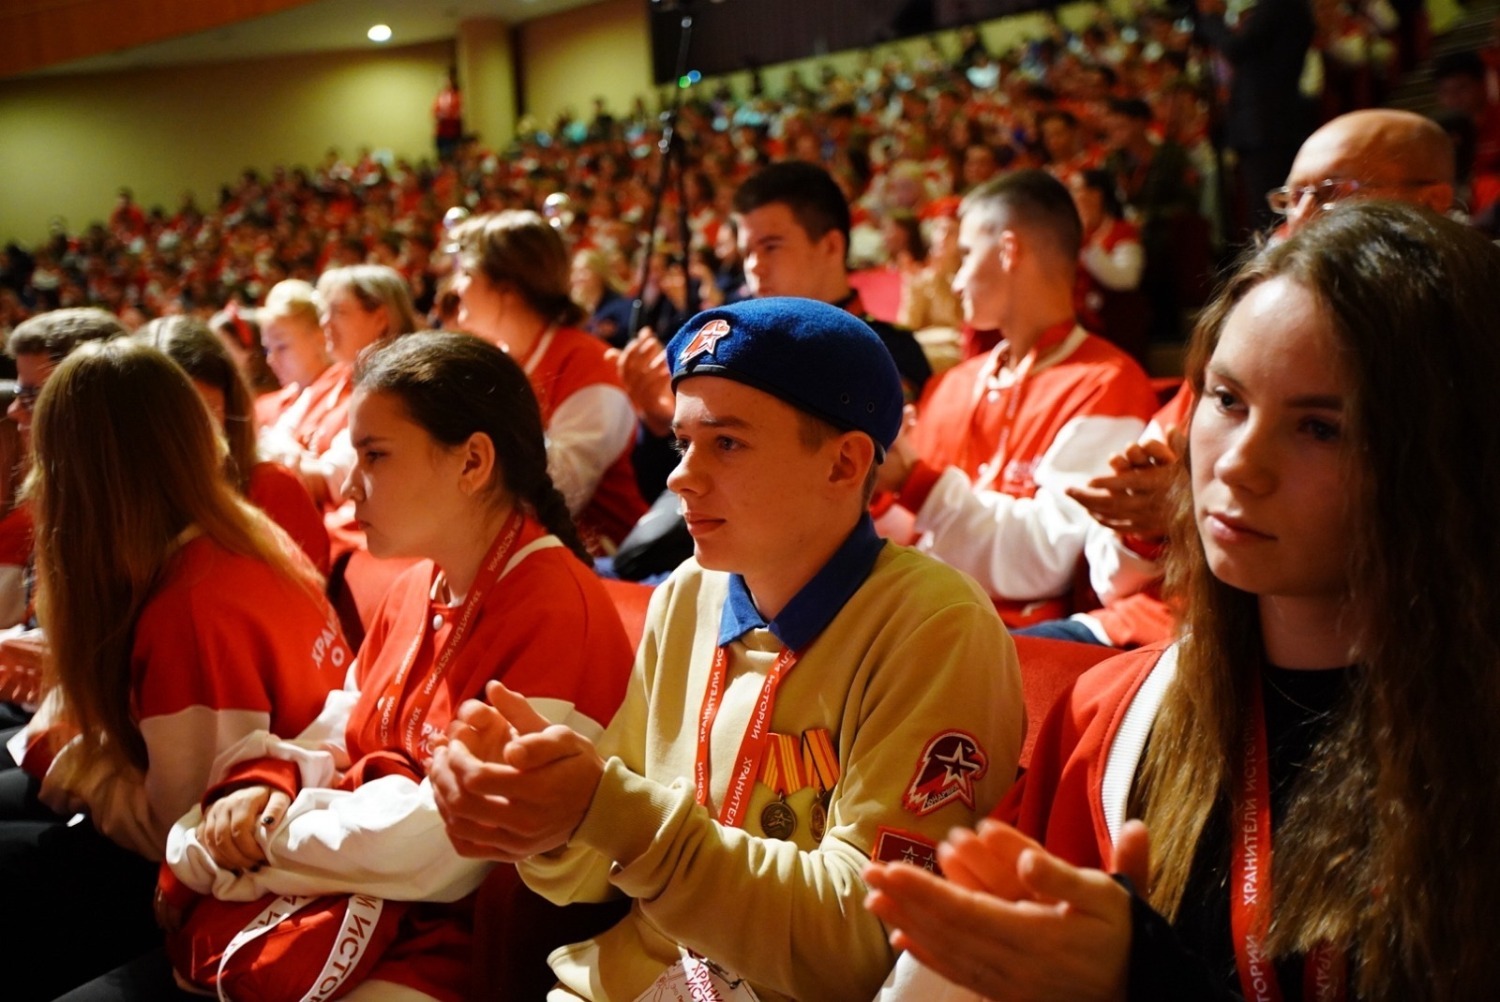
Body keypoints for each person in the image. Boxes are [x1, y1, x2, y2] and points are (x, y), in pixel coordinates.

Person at [865, 201, 1500, 1001]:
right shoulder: (1110, 719)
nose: (1239, 466)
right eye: (1227, 400)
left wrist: (1146, 984)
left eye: (1320, 429)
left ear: (1449, 455)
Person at [430, 298, 1023, 1002]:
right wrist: (535, 817)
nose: (680, 475)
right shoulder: (689, 592)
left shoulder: (936, 624)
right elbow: (593, 868)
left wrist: (605, 807)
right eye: (682, 442)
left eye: (727, 443)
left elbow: (861, 948)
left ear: (845, 463)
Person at [156, 332, 634, 1001]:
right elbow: (341, 726)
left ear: (473, 462)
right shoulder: (417, 584)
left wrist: (264, 842)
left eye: (374, 455)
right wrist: (264, 786)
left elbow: (445, 852)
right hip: (361, 892)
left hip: (456, 943)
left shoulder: (557, 611)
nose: (348, 485)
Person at [0, 340, 350, 1000]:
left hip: (226, 876)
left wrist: (65, 757)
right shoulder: (236, 533)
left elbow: (180, 831)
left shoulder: (193, 607)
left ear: (76, 475)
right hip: (239, 838)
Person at [1048, 107, 1459, 649]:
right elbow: (1113, 569)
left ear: (1430, 205)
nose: (1303, 221)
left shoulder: (1458, 343)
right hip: (1160, 625)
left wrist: (1184, 512)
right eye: (1292, 200)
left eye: (1333, 194)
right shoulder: (1254, 324)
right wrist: (1148, 529)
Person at [879, 170, 1158, 628]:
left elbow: (1043, 560)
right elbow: (909, 535)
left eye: (966, 256)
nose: (956, 281)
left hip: (1016, 650)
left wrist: (914, 481)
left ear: (1008, 250)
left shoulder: (1108, 383)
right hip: (915, 623)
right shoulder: (953, 383)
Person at [450, 210, 647, 555]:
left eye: (466, 273)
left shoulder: (589, 366)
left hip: (606, 565)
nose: (455, 287)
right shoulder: (496, 358)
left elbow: (555, 496)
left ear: (506, 288)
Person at [136, 315, 330, 575]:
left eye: (205, 410)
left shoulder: (270, 487)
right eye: (166, 416)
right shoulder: (126, 497)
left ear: (229, 404)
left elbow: (311, 598)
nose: (185, 431)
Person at [254, 277, 336, 431]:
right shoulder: (264, 408)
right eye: (267, 349)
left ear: (320, 338)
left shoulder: (341, 398)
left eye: (282, 347)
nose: (271, 359)